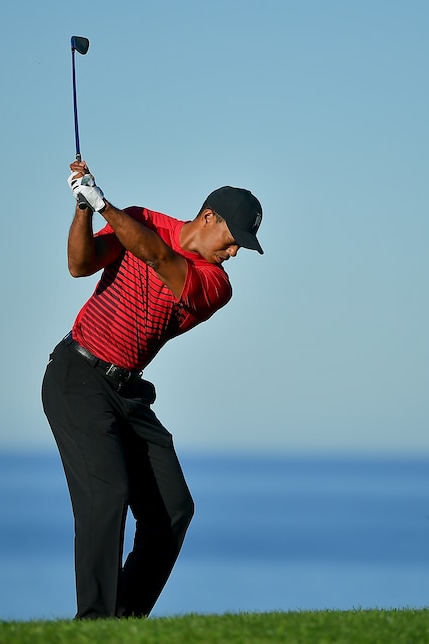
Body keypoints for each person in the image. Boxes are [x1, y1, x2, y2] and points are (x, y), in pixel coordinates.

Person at [41, 159, 263, 619]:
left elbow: (160, 258)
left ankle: (124, 620)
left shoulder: (216, 285)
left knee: (173, 510)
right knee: (107, 493)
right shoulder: (138, 221)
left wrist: (105, 204)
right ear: (208, 218)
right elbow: (78, 264)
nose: (235, 252)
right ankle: (95, 624)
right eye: (233, 239)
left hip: (127, 393)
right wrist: (84, 207)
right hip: (76, 377)